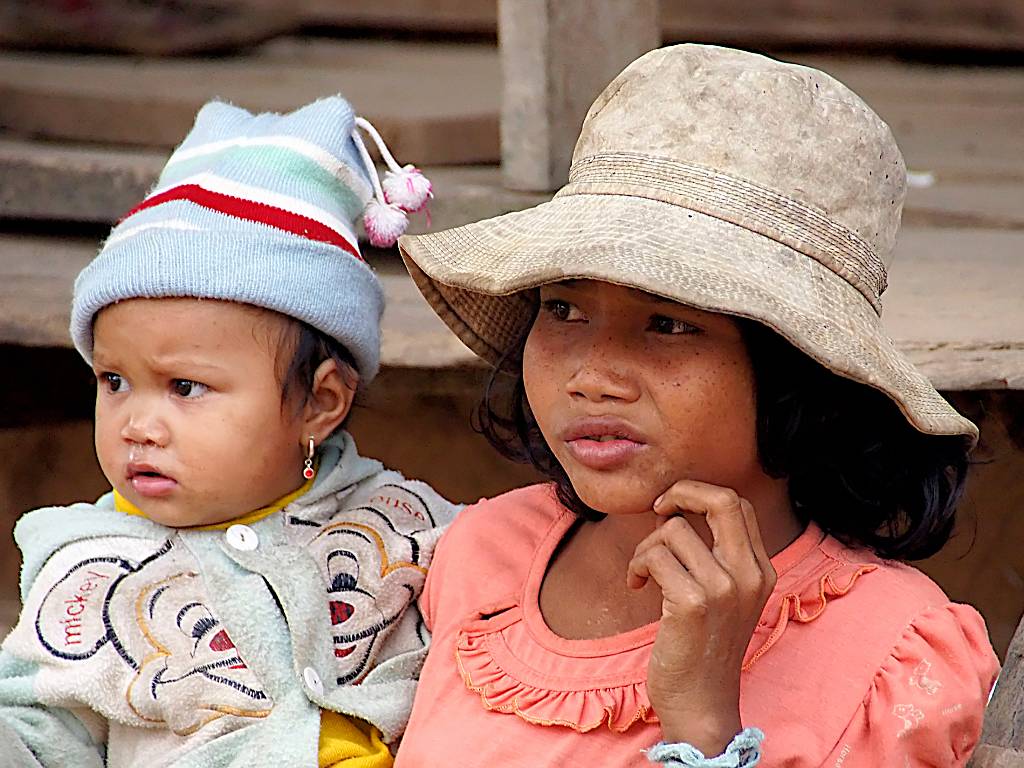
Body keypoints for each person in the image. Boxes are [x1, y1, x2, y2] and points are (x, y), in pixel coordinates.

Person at [393, 44, 1000, 767]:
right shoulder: (483, 552)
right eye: (563, 309)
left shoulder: (892, 653)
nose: (592, 376)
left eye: (670, 325)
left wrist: (704, 726)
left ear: (796, 374)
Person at [0, 97, 456, 767]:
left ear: (320, 402)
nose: (138, 425)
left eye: (185, 387)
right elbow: (39, 737)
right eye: (114, 382)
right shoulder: (86, 573)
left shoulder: (405, 526)